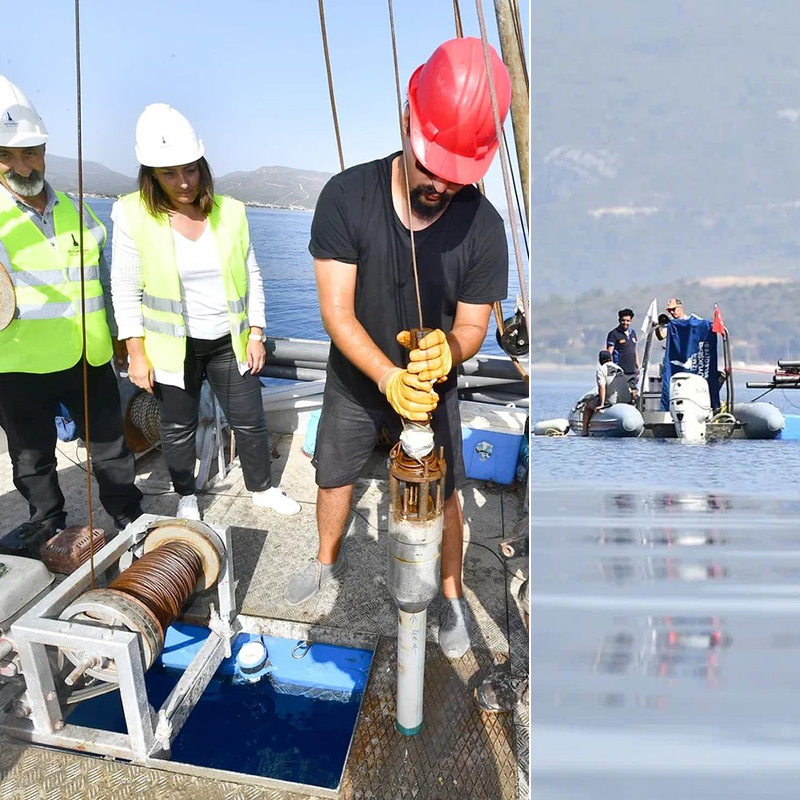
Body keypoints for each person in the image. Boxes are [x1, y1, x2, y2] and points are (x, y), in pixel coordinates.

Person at [287, 38, 511, 662]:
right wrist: (387, 377)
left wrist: (450, 350)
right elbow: (336, 311)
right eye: (430, 164)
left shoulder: (486, 229)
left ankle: (451, 595)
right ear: (407, 118)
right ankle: (326, 562)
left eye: (455, 173)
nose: (440, 183)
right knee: (333, 476)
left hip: (432, 391)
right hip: (358, 381)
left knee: (445, 495)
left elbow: (473, 328)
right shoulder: (345, 196)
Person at [0, 72, 143, 533]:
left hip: (88, 354)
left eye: (31, 151)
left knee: (112, 448)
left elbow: (100, 278)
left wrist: (122, 337)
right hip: (15, 363)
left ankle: (128, 517)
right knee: (31, 456)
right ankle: (49, 525)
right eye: (5, 154)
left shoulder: (76, 208)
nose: (23, 166)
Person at [110, 104, 300, 521]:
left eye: (191, 170)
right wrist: (136, 352)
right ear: (151, 175)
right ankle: (186, 495)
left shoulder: (231, 211)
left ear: (203, 166)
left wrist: (255, 331)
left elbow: (252, 273)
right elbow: (124, 289)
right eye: (170, 173)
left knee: (249, 420)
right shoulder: (130, 214)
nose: (183, 182)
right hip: (172, 349)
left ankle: (263, 488)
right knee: (177, 426)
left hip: (227, 343)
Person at [582, 350, 629, 435]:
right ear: (611, 358)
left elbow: (602, 387)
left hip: (612, 401)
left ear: (600, 360)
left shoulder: (601, 369)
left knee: (588, 407)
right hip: (626, 400)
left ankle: (584, 432)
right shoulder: (619, 368)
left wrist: (601, 404)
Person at [605, 308, 638, 396]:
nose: (625, 323)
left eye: (627, 320)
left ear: (631, 321)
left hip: (632, 370)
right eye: (623, 320)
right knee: (620, 394)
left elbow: (634, 350)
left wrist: (637, 365)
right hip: (620, 370)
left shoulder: (633, 333)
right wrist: (609, 369)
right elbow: (609, 353)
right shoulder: (613, 334)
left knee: (634, 392)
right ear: (619, 320)